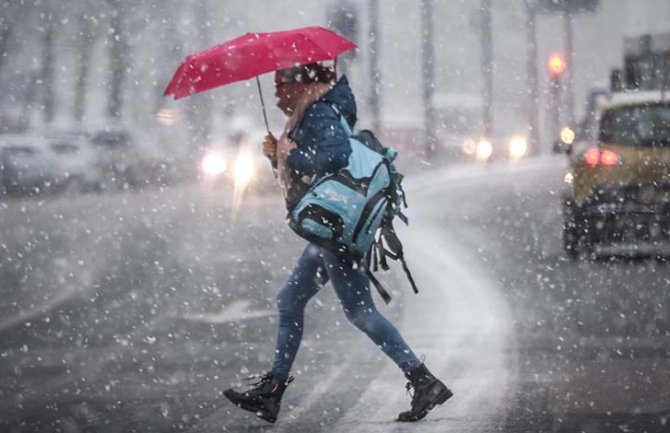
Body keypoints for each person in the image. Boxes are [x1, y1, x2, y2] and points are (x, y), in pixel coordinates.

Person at [223, 63, 452, 424]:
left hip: (337, 226)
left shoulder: (318, 111)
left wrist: (289, 154)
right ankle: (273, 390)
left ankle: (422, 380)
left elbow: (334, 157)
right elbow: (314, 168)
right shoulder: (314, 112)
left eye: (281, 85)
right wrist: (277, 156)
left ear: (301, 86)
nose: (277, 93)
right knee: (290, 300)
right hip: (335, 224)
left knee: (360, 312)